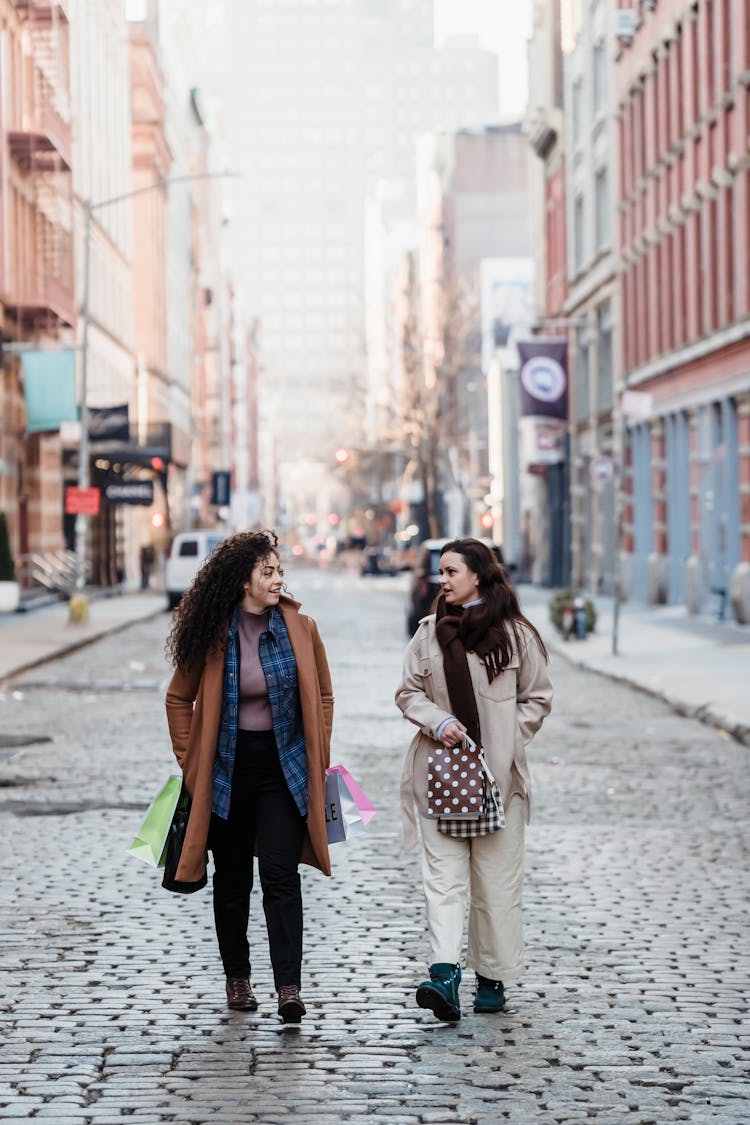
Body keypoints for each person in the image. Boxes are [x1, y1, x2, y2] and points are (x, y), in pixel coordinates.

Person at [164, 529, 333, 1023]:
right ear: (243, 581)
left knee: (281, 876)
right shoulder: (213, 633)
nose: (279, 579)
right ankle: (237, 979)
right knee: (233, 879)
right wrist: (189, 760)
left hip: (284, 769)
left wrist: (318, 750)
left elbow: (323, 695)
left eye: (280, 571)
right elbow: (178, 699)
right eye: (269, 572)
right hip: (227, 771)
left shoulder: (301, 628)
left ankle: (289, 989)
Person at [395, 538, 552, 1022]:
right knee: (441, 881)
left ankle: (491, 978)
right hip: (440, 777)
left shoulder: (516, 635)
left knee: (495, 884)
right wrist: (437, 721)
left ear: (477, 576)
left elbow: (538, 698)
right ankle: (444, 975)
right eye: (441, 572)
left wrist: (505, 739)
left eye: (451, 571)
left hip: (498, 781)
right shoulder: (428, 633)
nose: (442, 580)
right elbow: (407, 692)